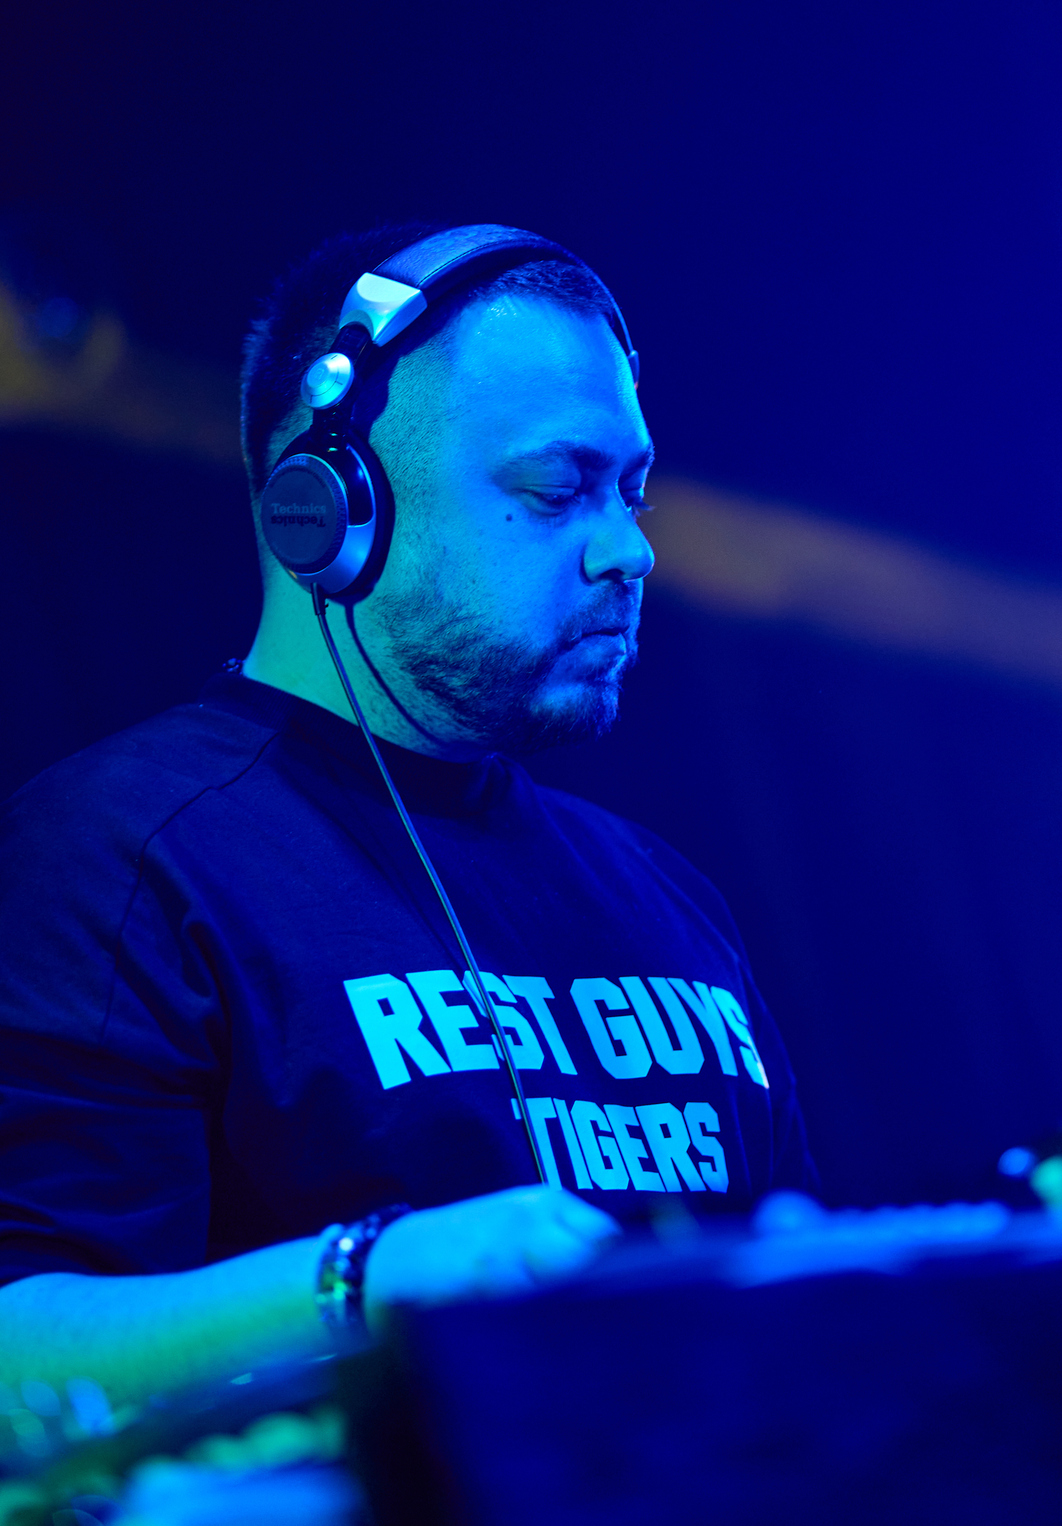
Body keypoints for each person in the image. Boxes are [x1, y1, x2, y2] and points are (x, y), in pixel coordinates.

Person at [0, 221, 814, 1412]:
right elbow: (16, 1358)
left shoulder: (667, 896)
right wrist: (363, 1280)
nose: (629, 551)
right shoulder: (114, 858)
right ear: (330, 508)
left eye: (631, 491)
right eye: (557, 490)